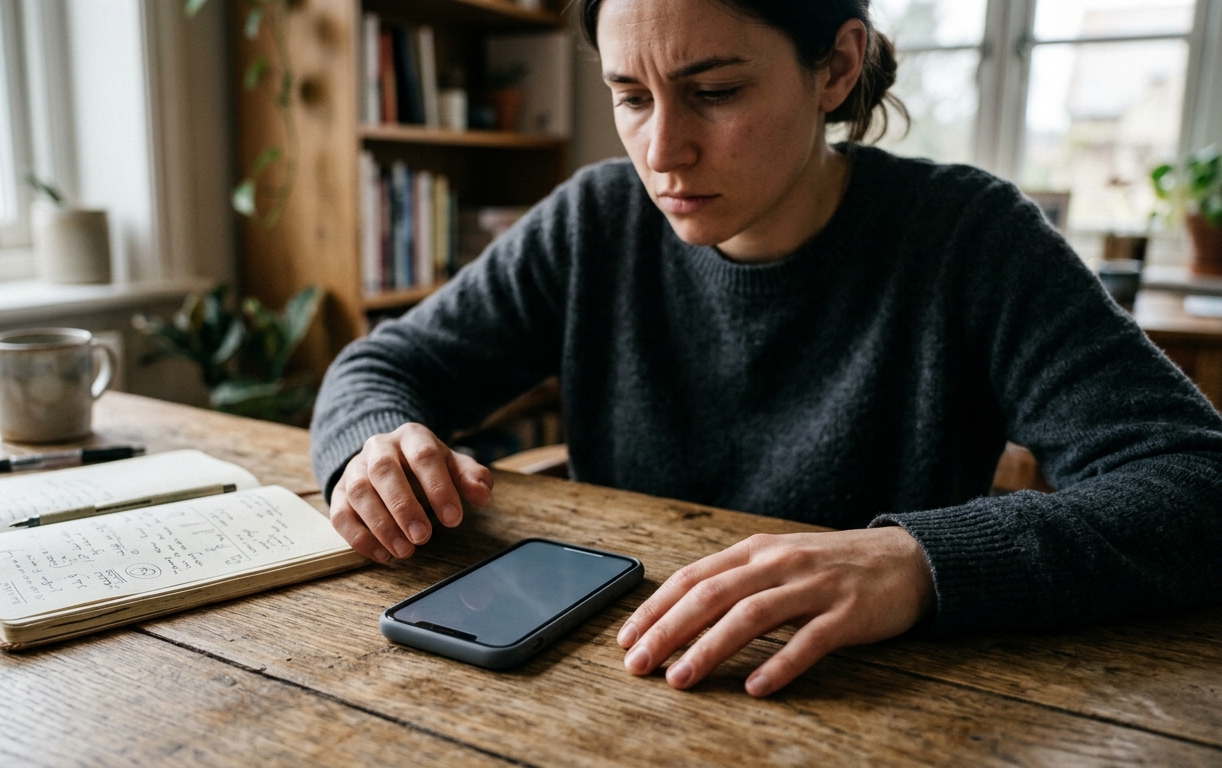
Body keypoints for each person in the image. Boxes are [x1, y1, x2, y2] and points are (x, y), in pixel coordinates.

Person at [311, 0, 1222, 698]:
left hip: (878, 703)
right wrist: (374, 444)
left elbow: (1197, 479)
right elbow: (382, 366)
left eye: (714, 93)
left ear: (836, 67)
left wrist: (918, 561)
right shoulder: (594, 221)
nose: (662, 151)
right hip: (598, 681)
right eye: (631, 97)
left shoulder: (970, 238)